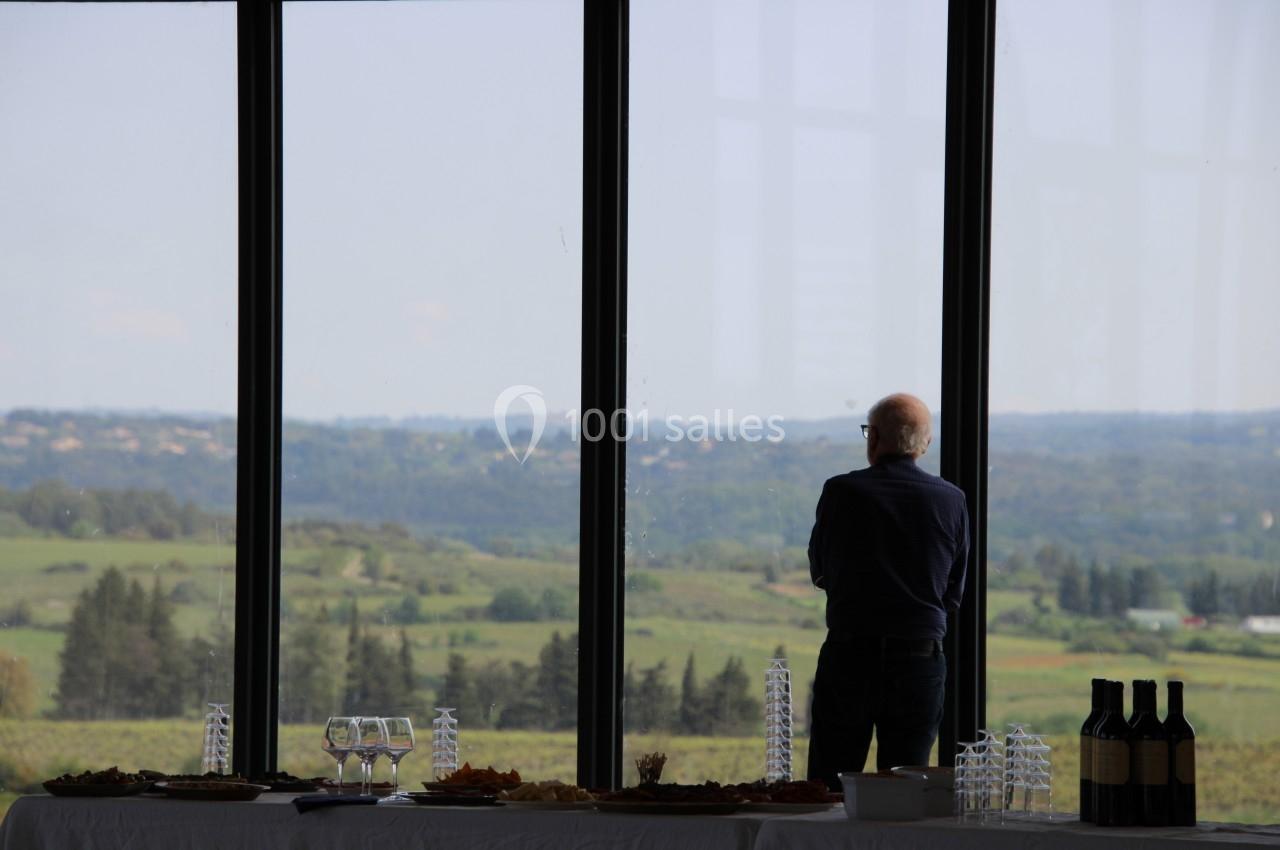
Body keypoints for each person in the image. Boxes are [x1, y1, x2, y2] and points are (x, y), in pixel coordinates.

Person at [805, 392, 969, 790]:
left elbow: (820, 572)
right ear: (925, 443)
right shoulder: (952, 500)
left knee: (829, 786)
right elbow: (952, 593)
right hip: (918, 662)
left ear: (873, 438)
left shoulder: (841, 492)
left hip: (849, 656)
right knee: (904, 791)